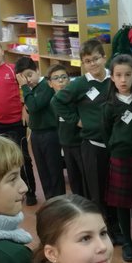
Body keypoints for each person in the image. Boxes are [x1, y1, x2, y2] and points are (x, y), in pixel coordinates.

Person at [52, 40, 120, 242]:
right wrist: (76, 120)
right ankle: (103, 230)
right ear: (83, 63)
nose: (93, 64)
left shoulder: (114, 78)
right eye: (88, 61)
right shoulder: (80, 84)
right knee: (97, 192)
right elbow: (57, 102)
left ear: (104, 58)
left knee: (115, 189)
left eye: (96, 59)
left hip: (115, 145)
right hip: (92, 145)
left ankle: (118, 227)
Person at [0, 35, 37, 205]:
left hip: (16, 123)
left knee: (23, 158)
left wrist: (25, 109)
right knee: (0, 161)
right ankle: (6, 193)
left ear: (2, 51)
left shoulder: (13, 70)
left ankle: (30, 192)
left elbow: (25, 89)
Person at [103, 54, 132, 263]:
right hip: (120, 158)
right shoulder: (109, 105)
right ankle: (127, 241)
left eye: (127, 75)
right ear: (112, 77)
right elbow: (106, 132)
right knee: (122, 203)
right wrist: (115, 146)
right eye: (118, 75)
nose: (123, 80)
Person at [16, 56, 65, 200]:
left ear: (38, 70)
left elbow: (33, 106)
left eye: (30, 75)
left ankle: (59, 201)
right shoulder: (33, 89)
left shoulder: (46, 86)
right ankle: (50, 200)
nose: (28, 80)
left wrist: (24, 87)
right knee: (43, 171)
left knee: (54, 170)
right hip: (36, 134)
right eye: (24, 78)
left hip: (50, 133)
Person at [50, 64, 84, 197]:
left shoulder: (76, 100)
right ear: (50, 83)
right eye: (56, 78)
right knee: (73, 178)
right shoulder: (53, 102)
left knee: (84, 177)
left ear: (69, 80)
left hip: (80, 143)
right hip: (65, 144)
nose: (61, 81)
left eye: (64, 77)